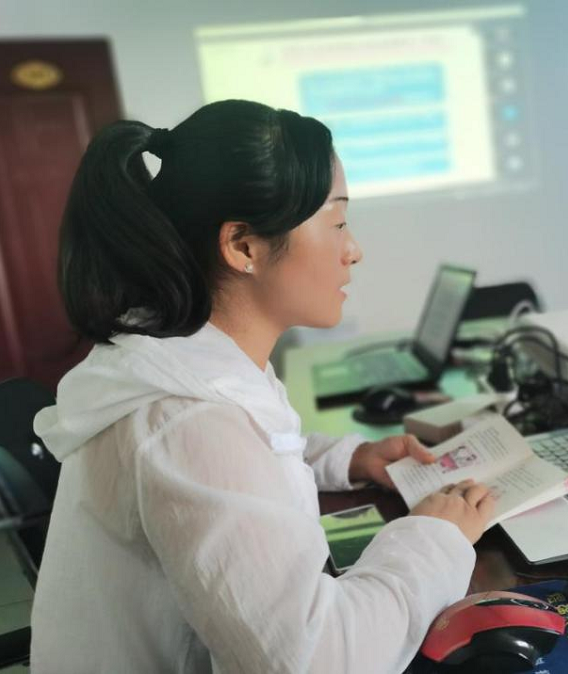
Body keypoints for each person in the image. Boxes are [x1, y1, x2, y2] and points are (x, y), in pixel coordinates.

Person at [31, 99, 495, 673]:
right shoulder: (188, 419)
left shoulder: (188, 357)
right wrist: (436, 535)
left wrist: (348, 459)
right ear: (243, 247)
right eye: (338, 223)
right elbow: (314, 660)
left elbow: (252, 451)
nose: (354, 250)